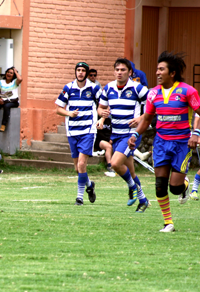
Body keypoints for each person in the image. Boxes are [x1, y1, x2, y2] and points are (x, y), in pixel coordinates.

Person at [128, 51, 200, 232]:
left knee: (174, 188)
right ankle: (168, 223)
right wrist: (134, 135)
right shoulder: (152, 94)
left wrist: (196, 133)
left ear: (172, 73)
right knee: (159, 185)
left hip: (182, 144)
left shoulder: (188, 91)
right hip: (161, 143)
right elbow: (147, 119)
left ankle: (184, 185)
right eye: (157, 69)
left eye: (161, 69)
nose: (157, 73)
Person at [98, 58, 150, 212]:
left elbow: (152, 107)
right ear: (114, 71)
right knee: (131, 171)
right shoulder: (108, 88)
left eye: (123, 70)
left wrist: (140, 118)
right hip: (117, 134)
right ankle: (143, 200)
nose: (119, 72)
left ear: (130, 72)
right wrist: (102, 115)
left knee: (114, 164)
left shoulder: (137, 88)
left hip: (131, 135)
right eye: (117, 70)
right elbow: (100, 108)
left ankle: (133, 188)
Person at [55, 62, 101, 205]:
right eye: (78, 70)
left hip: (88, 130)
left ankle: (79, 198)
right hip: (72, 131)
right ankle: (89, 185)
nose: (80, 73)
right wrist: (69, 113)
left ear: (86, 73)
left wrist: (102, 119)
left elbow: (104, 105)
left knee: (82, 164)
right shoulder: (68, 88)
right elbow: (58, 108)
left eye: (83, 70)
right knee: (77, 168)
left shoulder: (94, 88)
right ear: (75, 72)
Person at [0, 66, 22, 132]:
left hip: (13, 101)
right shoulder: (1, 82)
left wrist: (15, 71)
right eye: (8, 72)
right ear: (6, 73)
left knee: (6, 106)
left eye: (11, 73)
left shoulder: (15, 82)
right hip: (3, 100)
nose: (9, 74)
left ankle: (3, 125)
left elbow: (20, 79)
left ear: (14, 75)